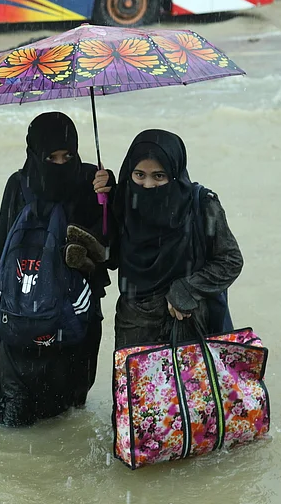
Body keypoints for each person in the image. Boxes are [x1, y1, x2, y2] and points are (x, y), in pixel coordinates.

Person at [0, 112, 112, 427]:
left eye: (68, 156)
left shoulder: (93, 181)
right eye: (51, 157)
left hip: (76, 317)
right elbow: (2, 251)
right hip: (22, 312)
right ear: (35, 153)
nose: (61, 164)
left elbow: (110, 250)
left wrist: (109, 198)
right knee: (11, 417)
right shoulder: (18, 184)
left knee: (68, 418)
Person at [92, 129, 243, 349]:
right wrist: (104, 200)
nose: (148, 185)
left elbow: (230, 261)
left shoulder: (200, 206)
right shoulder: (123, 202)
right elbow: (110, 257)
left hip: (187, 322)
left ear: (174, 174)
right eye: (139, 175)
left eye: (159, 176)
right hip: (134, 326)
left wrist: (187, 289)